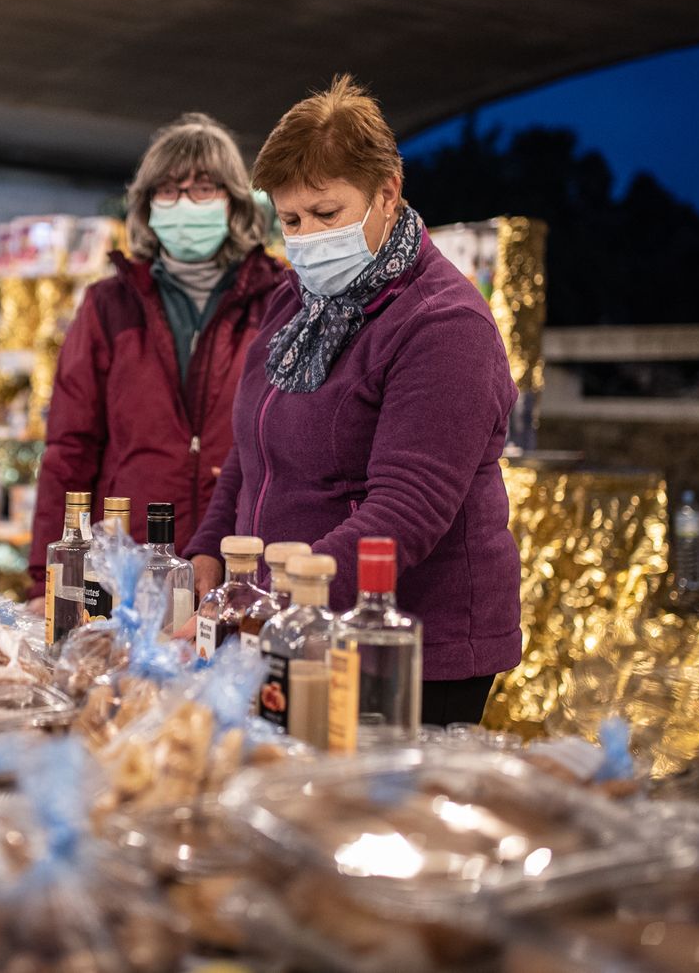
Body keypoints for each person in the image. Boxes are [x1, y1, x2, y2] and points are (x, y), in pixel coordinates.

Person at [183, 76, 522, 726]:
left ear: (387, 194)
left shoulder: (444, 326)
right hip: (292, 628)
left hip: (407, 651)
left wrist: (272, 608)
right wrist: (208, 555)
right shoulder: (297, 303)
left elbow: (406, 511)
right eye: (291, 220)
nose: (307, 237)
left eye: (327, 213)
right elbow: (254, 454)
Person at [28, 113, 284, 597]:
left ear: (235, 202)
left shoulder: (279, 300)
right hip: (125, 563)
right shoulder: (109, 305)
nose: (184, 203)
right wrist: (47, 579)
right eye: (168, 190)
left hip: (240, 560)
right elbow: (70, 451)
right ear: (146, 206)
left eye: (203, 189)